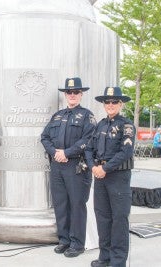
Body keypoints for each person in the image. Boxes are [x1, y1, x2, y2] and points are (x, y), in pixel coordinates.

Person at [41, 77, 96, 258]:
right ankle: (64, 240)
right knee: (61, 204)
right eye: (69, 92)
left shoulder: (87, 116)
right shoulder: (58, 115)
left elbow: (89, 140)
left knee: (77, 205)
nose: (72, 95)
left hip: (76, 167)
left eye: (76, 92)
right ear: (65, 95)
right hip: (57, 166)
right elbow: (44, 137)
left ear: (81, 95)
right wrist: (55, 153)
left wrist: (66, 153)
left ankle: (77, 243)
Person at [85, 86, 135, 267]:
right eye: (108, 102)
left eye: (115, 102)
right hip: (99, 177)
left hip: (118, 178)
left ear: (121, 104)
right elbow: (89, 149)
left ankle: (118, 261)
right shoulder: (100, 125)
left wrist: (105, 169)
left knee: (119, 220)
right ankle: (105, 257)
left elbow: (126, 151)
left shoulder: (127, 125)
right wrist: (93, 167)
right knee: (103, 218)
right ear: (104, 104)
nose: (111, 104)